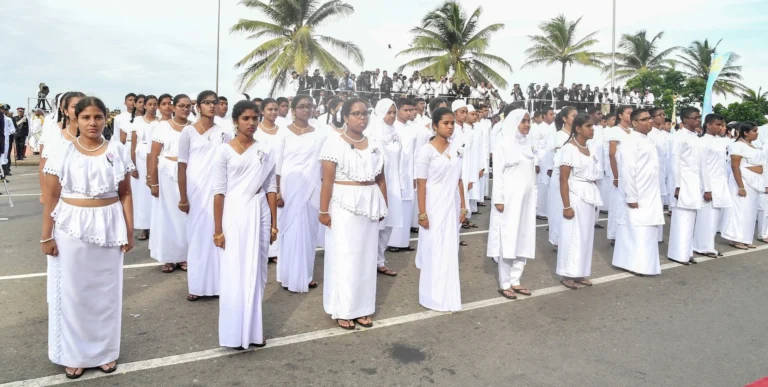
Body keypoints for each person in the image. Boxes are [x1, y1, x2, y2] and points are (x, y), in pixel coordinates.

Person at [40, 96, 134, 379]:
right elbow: (52, 197)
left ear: (106, 119)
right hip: (71, 228)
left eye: (98, 117)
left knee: (106, 293)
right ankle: (75, 354)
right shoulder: (63, 151)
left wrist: (128, 231)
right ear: (75, 119)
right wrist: (46, 237)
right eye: (86, 118)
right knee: (74, 293)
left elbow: (126, 193)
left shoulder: (116, 149)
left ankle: (104, 353)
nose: (92, 123)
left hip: (109, 226)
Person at [212, 100, 277, 349]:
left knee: (257, 269)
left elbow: (271, 187)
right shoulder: (223, 151)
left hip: (259, 211)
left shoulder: (266, 150)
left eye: (255, 118)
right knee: (234, 270)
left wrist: (273, 222)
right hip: (233, 213)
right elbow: (218, 192)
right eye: (246, 119)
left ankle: (253, 330)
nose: (251, 123)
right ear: (236, 121)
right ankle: (233, 332)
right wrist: (217, 230)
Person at [318, 98, 388, 330]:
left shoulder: (375, 143)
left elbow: (380, 179)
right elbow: (327, 181)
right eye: (356, 114)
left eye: (365, 113)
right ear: (345, 117)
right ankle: (343, 309)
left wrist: (383, 205)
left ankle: (362, 308)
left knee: (366, 257)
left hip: (369, 201)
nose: (362, 118)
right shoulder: (334, 143)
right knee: (345, 256)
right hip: (343, 203)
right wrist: (323, 211)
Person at [177, 91, 231, 301]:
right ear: (198, 107)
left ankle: (218, 284)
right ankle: (197, 285)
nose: (211, 106)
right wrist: (183, 197)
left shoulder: (224, 132)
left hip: (218, 189)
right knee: (198, 235)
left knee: (217, 232)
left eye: (214, 103)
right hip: (196, 189)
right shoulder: (188, 132)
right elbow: (182, 166)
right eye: (206, 103)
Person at [415, 107, 467, 311]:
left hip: (451, 205)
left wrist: (463, 206)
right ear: (435, 126)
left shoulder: (457, 148)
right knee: (433, 248)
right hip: (433, 205)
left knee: (449, 248)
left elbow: (459, 180)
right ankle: (431, 295)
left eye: (452, 123)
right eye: (446, 123)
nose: (450, 127)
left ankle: (447, 293)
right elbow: (421, 183)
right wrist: (422, 213)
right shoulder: (425, 151)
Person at [275, 95, 324, 293]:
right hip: (290, 187)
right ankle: (289, 275)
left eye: (309, 106)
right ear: (293, 110)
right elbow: (277, 165)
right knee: (291, 230)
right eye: (302, 107)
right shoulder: (283, 133)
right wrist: (277, 191)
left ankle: (306, 274)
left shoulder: (319, 133)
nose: (306, 109)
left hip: (312, 187)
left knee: (309, 232)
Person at [487, 109, 536, 299]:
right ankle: (505, 282)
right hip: (508, 200)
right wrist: (498, 199)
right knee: (508, 238)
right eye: (523, 121)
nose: (527, 124)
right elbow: (497, 174)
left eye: (528, 121)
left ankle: (516, 280)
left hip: (526, 200)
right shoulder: (503, 144)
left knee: (523, 238)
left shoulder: (528, 144)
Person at [611, 109, 664, 276]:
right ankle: (637, 265)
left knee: (645, 230)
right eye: (644, 119)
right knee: (636, 229)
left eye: (650, 118)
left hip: (650, 192)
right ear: (634, 123)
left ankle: (639, 263)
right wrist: (631, 196)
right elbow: (627, 170)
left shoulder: (647, 140)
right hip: (637, 192)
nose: (649, 121)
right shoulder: (629, 141)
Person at [557, 113, 603, 288]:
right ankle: (567, 273)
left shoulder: (591, 148)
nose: (592, 129)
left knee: (586, 235)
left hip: (588, 194)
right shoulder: (568, 149)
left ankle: (580, 272)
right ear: (578, 128)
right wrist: (566, 205)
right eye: (588, 126)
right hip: (575, 194)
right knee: (572, 234)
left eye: (592, 126)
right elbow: (563, 180)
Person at [148, 94, 190, 273]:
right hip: (166, 175)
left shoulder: (193, 128)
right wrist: (153, 182)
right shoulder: (163, 127)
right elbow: (153, 154)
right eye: (181, 106)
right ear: (174, 108)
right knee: (167, 216)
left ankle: (184, 256)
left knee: (185, 216)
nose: (185, 109)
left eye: (188, 106)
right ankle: (169, 257)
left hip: (187, 175)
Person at [721, 122, 767, 250]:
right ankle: (736, 238)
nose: (757, 133)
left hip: (754, 183)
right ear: (746, 132)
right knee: (739, 210)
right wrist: (741, 186)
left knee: (750, 212)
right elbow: (735, 166)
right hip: (742, 181)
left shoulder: (753, 146)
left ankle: (746, 238)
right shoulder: (737, 145)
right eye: (754, 131)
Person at [667, 107, 703, 265]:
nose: (698, 120)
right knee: (681, 217)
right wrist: (677, 185)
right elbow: (675, 162)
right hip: (683, 181)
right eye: (694, 118)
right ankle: (678, 254)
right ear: (685, 120)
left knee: (690, 218)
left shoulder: (695, 136)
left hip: (694, 181)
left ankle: (687, 252)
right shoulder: (679, 136)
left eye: (698, 117)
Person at [693, 114, 730, 258]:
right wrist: (707, 189)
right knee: (706, 217)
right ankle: (701, 246)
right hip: (708, 184)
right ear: (708, 125)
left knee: (715, 217)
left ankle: (709, 245)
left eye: (722, 125)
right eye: (718, 125)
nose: (721, 127)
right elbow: (702, 167)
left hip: (720, 182)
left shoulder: (721, 141)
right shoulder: (702, 142)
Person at [39, 92, 85, 201]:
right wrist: (45, 193)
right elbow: (44, 164)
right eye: (74, 107)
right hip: (63, 196)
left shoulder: (97, 135)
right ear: (65, 110)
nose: (80, 110)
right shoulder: (55, 133)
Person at [387, 99, 418, 254]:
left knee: (406, 206)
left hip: (408, 172)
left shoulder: (412, 129)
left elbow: (414, 154)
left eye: (410, 110)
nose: (408, 113)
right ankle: (392, 241)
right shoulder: (392, 129)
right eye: (405, 110)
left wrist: (413, 175)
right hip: (394, 172)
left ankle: (403, 241)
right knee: (395, 204)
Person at [126, 95, 158, 241]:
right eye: (149, 104)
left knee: (154, 193)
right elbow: (133, 145)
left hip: (155, 159)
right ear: (144, 106)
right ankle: (144, 227)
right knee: (141, 195)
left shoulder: (160, 122)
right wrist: (132, 165)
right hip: (139, 160)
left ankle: (155, 227)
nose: (152, 107)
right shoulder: (137, 122)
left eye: (155, 104)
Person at [253, 99, 281, 261]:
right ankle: (263, 250)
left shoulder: (283, 130)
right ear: (262, 111)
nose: (273, 112)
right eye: (270, 109)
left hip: (279, 175)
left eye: (276, 109)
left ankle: (275, 251)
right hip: (259, 177)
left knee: (278, 214)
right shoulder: (256, 131)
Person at [546, 106, 577, 249]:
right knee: (559, 207)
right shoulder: (559, 135)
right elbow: (555, 158)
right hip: (561, 176)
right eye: (573, 116)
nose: (576, 118)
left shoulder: (577, 135)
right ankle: (559, 240)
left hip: (575, 177)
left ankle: (570, 239)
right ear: (564, 119)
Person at [606, 106, 634, 244]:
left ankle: (626, 232)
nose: (631, 115)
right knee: (618, 202)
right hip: (618, 171)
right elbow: (612, 154)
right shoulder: (615, 131)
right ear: (620, 116)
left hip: (630, 172)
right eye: (628, 113)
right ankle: (615, 234)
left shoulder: (633, 132)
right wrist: (616, 176)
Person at [534, 107, 556, 219]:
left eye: (554, 114)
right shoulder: (538, 129)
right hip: (541, 160)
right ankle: (540, 211)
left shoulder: (553, 128)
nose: (553, 116)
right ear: (544, 116)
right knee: (542, 186)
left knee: (549, 186)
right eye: (551, 114)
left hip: (551, 160)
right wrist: (536, 163)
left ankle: (547, 211)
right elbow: (535, 147)